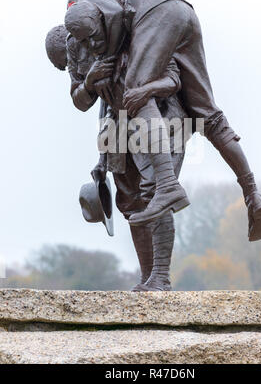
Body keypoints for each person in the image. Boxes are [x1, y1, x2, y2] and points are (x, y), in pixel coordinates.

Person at [65, 0, 261, 241]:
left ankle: (167, 185)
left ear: (97, 19)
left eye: (93, 37)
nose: (92, 46)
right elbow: (81, 95)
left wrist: (113, 64)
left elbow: (116, 15)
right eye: (85, 42)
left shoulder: (87, 3)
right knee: (209, 115)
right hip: (182, 13)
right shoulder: (88, 19)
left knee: (134, 89)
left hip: (158, 14)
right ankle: (253, 193)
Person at [45, 24, 188, 291]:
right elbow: (90, 101)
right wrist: (102, 158)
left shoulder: (127, 37)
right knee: (131, 203)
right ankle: (148, 277)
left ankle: (160, 277)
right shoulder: (83, 58)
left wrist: (144, 92)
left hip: (162, 120)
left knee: (155, 193)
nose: (71, 66)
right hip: (120, 129)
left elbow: (173, 79)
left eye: (67, 61)